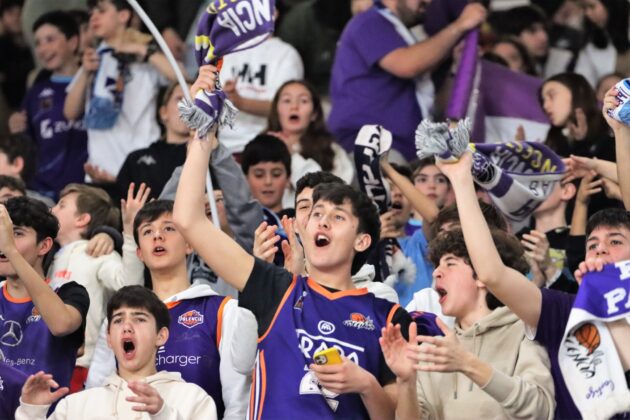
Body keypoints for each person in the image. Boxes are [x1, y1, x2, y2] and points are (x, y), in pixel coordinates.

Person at [174, 69, 412, 418]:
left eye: (337, 216)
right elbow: (188, 220)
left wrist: (366, 384)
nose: (322, 221)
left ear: (362, 240)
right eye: (316, 214)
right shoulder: (275, 288)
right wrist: (202, 131)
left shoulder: (387, 316)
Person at [435, 149, 630, 418]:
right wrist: (461, 181)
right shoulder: (565, 311)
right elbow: (493, 275)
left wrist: (608, 304)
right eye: (592, 245)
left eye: (615, 241)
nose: (600, 250)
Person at [380, 228, 555, 419]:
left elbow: (541, 410)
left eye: (450, 264)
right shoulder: (436, 350)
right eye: (437, 265)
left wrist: (468, 364)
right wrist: (406, 383)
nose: (436, 272)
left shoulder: (525, 331)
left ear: (482, 275)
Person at [15, 285, 218, 419]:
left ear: (161, 335)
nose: (127, 327)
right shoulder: (77, 405)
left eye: (139, 319)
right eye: (119, 320)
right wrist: (31, 413)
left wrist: (163, 414)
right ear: (109, 338)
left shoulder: (193, 398)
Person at [131, 200, 253, 419]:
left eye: (169, 228)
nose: (158, 236)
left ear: (189, 245)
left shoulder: (222, 310)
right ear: (139, 253)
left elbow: (238, 402)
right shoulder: (121, 316)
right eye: (148, 231)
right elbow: (103, 390)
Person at [328, 0, 486, 161]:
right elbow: (407, 65)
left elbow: (438, 107)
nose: (428, 2)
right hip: (374, 146)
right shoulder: (369, 21)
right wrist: (460, 25)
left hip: (408, 150)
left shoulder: (401, 34)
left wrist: (456, 68)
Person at [64, 0, 179, 184]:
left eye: (101, 11)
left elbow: (182, 78)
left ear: (123, 15)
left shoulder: (145, 55)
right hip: (101, 167)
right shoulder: (94, 58)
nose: (94, 16)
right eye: (92, 12)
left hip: (142, 164)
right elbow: (70, 112)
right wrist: (85, 72)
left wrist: (143, 50)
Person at [49, 182, 145, 391]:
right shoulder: (47, 257)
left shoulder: (99, 254)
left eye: (61, 205)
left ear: (82, 219)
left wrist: (128, 236)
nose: (52, 209)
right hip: (45, 362)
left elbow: (129, 288)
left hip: (83, 367)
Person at [0, 197, 88, 389]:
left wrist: (10, 250)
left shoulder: (70, 292)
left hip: (47, 407)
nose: (3, 240)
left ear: (44, 246)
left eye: (16, 233)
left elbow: (61, 324)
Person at [8, 10, 87, 201]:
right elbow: (24, 145)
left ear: (73, 42)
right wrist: (15, 128)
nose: (42, 49)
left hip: (89, 191)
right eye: (37, 43)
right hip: (43, 192)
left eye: (50, 39)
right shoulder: (36, 92)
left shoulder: (97, 84)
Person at [218, 10, 304, 155]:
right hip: (223, 146)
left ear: (274, 13)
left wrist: (240, 102)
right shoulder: (225, 50)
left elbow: (288, 109)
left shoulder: (287, 54)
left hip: (269, 148)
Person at [267, 80, 354, 184]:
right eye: (287, 100)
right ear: (276, 110)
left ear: (314, 114)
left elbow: (336, 191)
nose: (294, 106)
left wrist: (292, 156)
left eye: (303, 101)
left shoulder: (332, 151)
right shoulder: (261, 145)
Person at [116, 83, 192, 200]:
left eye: (194, 100)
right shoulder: (136, 160)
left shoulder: (211, 157)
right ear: (163, 112)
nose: (188, 106)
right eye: (180, 99)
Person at [574, 0, 630, 88]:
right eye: (584, 8)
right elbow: (583, 84)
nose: (587, 13)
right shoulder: (591, 45)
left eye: (592, 6)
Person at [240, 134, 292, 216]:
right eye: (259, 175)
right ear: (246, 178)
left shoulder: (300, 220)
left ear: (288, 178)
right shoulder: (234, 222)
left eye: (276, 174)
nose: (268, 181)